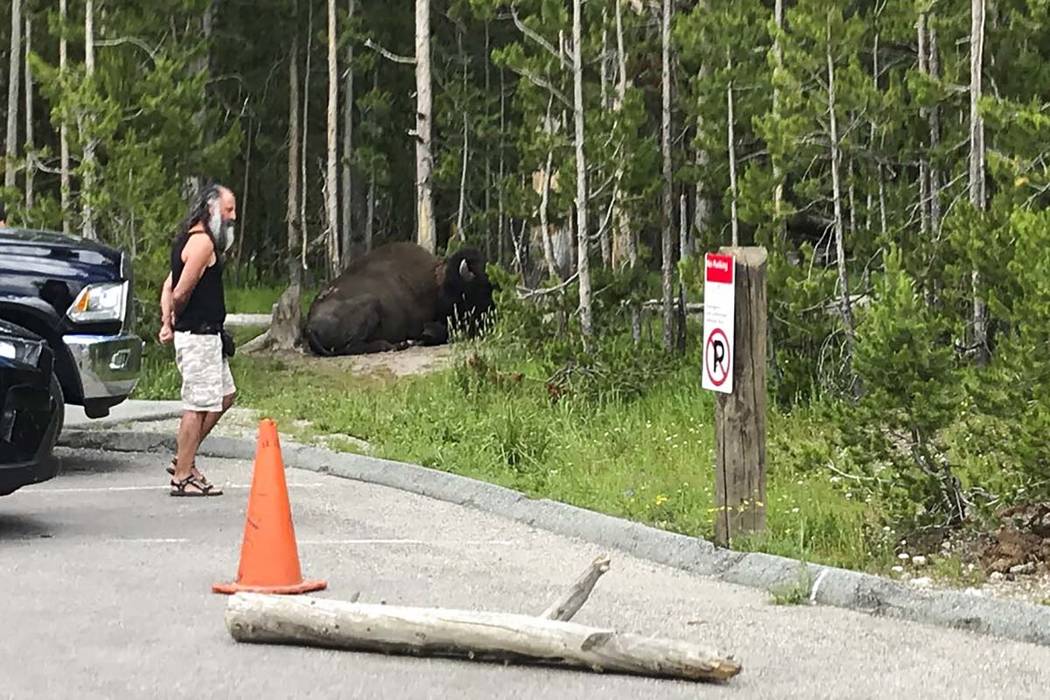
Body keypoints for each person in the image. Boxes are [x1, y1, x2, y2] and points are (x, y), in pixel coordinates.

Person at [158, 184, 238, 497]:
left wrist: (166, 323)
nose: (233, 217)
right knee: (196, 406)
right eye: (228, 210)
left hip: (210, 337)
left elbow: (167, 285)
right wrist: (176, 319)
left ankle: (184, 457)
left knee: (225, 396)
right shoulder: (202, 243)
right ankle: (182, 476)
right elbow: (179, 291)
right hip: (198, 338)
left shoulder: (190, 241)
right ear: (210, 209)